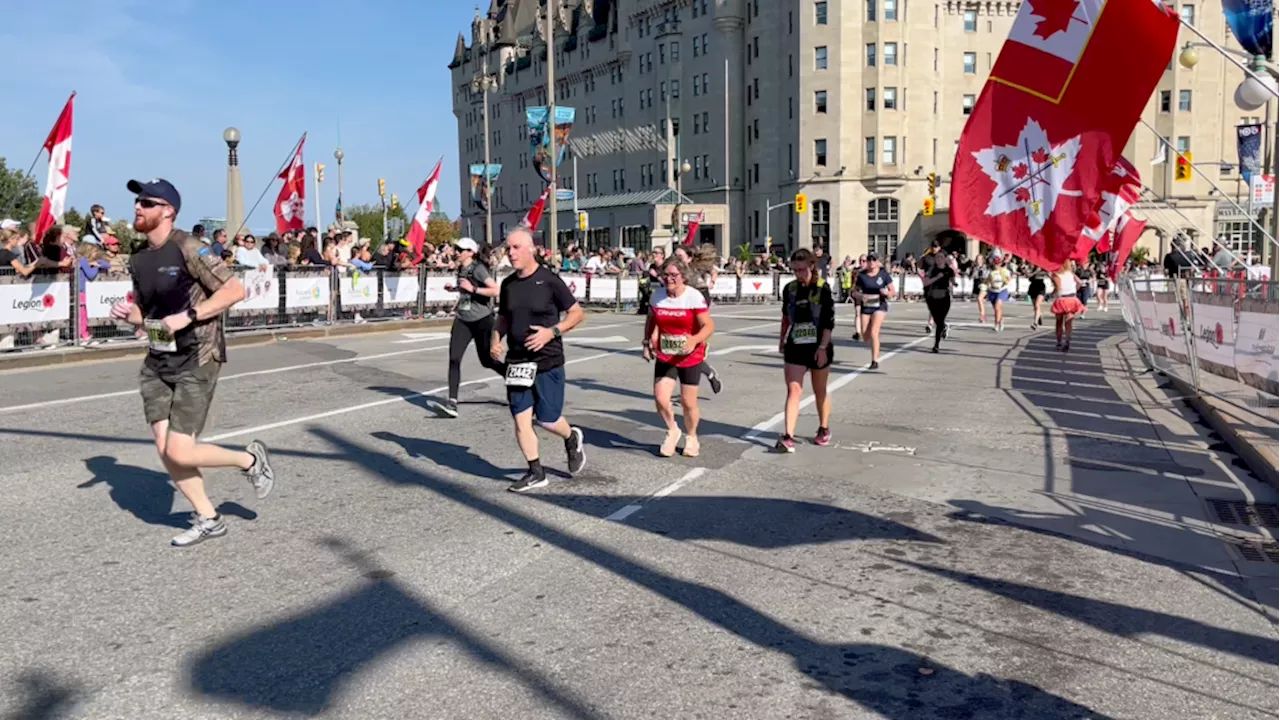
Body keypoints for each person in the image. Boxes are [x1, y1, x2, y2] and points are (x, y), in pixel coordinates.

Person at [107, 178, 276, 547]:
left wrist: (190, 315)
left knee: (179, 449)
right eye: (137, 201)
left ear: (168, 210)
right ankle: (208, 517)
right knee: (165, 448)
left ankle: (249, 460)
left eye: (147, 202)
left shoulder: (190, 247)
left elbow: (235, 290)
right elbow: (146, 311)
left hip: (197, 356)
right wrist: (128, 314)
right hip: (157, 358)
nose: (138, 207)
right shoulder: (138, 257)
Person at [490, 228, 588, 493]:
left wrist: (551, 332)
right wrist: (496, 339)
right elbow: (504, 318)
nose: (510, 253)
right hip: (517, 362)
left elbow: (577, 314)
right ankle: (536, 472)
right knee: (521, 419)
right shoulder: (509, 285)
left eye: (516, 247)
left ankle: (571, 436)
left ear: (531, 248)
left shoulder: (549, 281)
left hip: (547, 361)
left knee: (547, 419)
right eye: (508, 248)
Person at [642, 257, 715, 457]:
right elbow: (651, 320)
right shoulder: (657, 296)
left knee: (688, 402)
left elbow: (708, 326)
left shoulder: (693, 297)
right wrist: (647, 342)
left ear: (683, 276)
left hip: (690, 356)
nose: (669, 279)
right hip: (666, 354)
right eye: (665, 275)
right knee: (660, 397)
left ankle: (691, 437)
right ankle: (672, 429)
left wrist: (694, 340)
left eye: (674, 275)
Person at [776, 248, 836, 453]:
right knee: (794, 390)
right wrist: (782, 339)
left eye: (801, 270)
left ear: (811, 266)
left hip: (818, 344)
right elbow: (785, 316)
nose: (798, 274)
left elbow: (828, 322)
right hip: (796, 344)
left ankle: (823, 427)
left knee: (820, 390)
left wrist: (822, 348)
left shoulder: (822, 288)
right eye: (795, 270)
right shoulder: (790, 289)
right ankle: (788, 435)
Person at [440, 238, 505, 417]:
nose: (456, 252)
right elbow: (466, 291)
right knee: (454, 358)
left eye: (460, 250)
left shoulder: (478, 269)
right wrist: (454, 289)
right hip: (463, 319)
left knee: (487, 360)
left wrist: (473, 289)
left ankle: (512, 376)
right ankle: (452, 402)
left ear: (470, 252)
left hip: (482, 319)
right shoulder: (461, 269)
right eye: (456, 249)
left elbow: (495, 290)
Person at [673, 244, 723, 393]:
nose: (677, 259)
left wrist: (712, 282)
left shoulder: (695, 269)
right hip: (680, 308)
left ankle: (688, 387)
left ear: (689, 258)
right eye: (675, 256)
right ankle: (709, 373)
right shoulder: (674, 270)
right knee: (678, 349)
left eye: (680, 256)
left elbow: (713, 271)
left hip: (697, 306)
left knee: (687, 349)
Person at [853, 253, 895, 369]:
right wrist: (861, 296)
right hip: (866, 305)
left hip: (879, 305)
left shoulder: (883, 274)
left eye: (874, 260)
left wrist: (887, 293)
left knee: (874, 333)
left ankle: (874, 360)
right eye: (869, 260)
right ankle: (871, 342)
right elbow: (854, 292)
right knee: (865, 336)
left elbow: (892, 291)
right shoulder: (862, 275)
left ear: (878, 262)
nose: (871, 262)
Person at [922, 245, 957, 353]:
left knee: (940, 320)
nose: (938, 259)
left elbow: (952, 280)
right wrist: (937, 278)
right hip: (933, 297)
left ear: (945, 259)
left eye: (941, 257)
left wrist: (954, 283)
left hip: (945, 296)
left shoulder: (949, 270)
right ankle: (944, 327)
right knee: (937, 321)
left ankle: (936, 345)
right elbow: (926, 282)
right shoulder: (932, 270)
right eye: (937, 257)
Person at [1050, 260, 1086, 352]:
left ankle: (1059, 341)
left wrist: (1051, 294)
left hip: (1062, 299)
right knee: (1068, 322)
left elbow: (1058, 288)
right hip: (1072, 298)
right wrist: (1074, 290)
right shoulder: (1070, 273)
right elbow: (1079, 282)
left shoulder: (1056, 274)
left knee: (1059, 322)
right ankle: (1067, 341)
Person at [986, 251, 1013, 332]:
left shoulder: (1004, 271)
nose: (996, 265)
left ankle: (996, 324)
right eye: (995, 263)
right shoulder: (991, 272)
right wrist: (988, 285)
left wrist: (1005, 281)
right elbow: (987, 281)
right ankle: (1001, 320)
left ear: (1000, 263)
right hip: (992, 291)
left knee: (998, 307)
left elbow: (1008, 280)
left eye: (998, 263)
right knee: (997, 309)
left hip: (1002, 290)